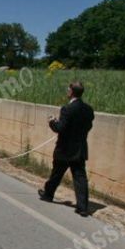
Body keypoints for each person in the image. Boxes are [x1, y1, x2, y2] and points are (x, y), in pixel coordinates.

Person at [38, 81, 95, 217]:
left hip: (64, 149)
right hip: (79, 149)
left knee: (56, 174)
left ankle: (48, 194)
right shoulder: (88, 109)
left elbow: (60, 128)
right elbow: (88, 127)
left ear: (71, 92)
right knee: (80, 178)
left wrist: (52, 122)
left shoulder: (67, 109)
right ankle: (82, 207)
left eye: (68, 89)